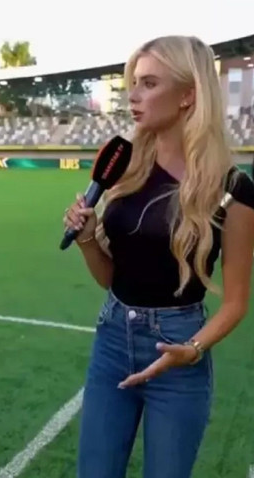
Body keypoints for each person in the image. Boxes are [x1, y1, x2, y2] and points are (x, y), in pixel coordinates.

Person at [64, 35, 254, 478]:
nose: (133, 96)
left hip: (179, 350)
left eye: (149, 84)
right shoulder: (125, 168)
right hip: (112, 339)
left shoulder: (233, 189)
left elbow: (235, 303)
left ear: (188, 94)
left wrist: (191, 349)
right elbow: (112, 279)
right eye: (133, 83)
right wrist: (89, 238)